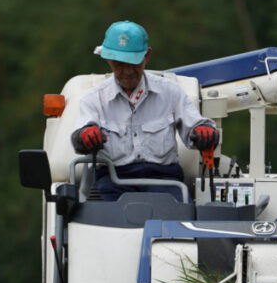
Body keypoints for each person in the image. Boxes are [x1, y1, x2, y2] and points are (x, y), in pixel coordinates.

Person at [70, 20, 219, 201]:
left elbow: (197, 127)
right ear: (108, 60)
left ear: (146, 56)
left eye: (133, 63)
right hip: (112, 183)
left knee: (177, 217)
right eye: (119, 64)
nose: (127, 71)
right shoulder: (94, 99)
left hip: (165, 183)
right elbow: (79, 138)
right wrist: (85, 136)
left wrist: (203, 132)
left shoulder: (171, 92)